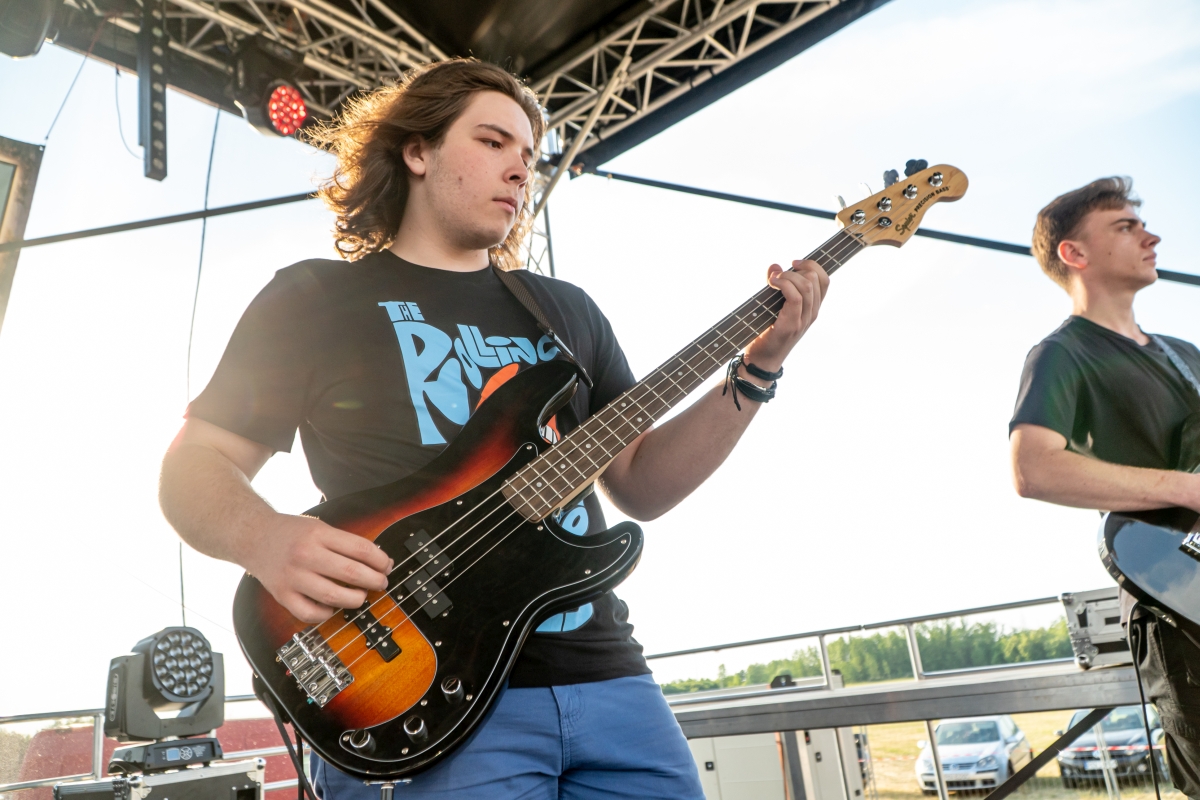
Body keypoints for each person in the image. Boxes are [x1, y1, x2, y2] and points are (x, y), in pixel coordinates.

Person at [158, 58, 830, 799]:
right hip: (415, 687)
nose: (519, 169)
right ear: (418, 151)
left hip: (609, 681)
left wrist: (759, 369)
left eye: (528, 154)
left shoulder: (566, 310)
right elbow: (195, 463)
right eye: (492, 141)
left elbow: (641, 484)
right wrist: (264, 537)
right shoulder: (313, 299)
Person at [1009, 177, 1200, 796]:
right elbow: (1034, 469)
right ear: (1074, 253)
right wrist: (1187, 489)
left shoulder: (1186, 353)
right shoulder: (1062, 354)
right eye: (1125, 226)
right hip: (1177, 604)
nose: (1151, 236)